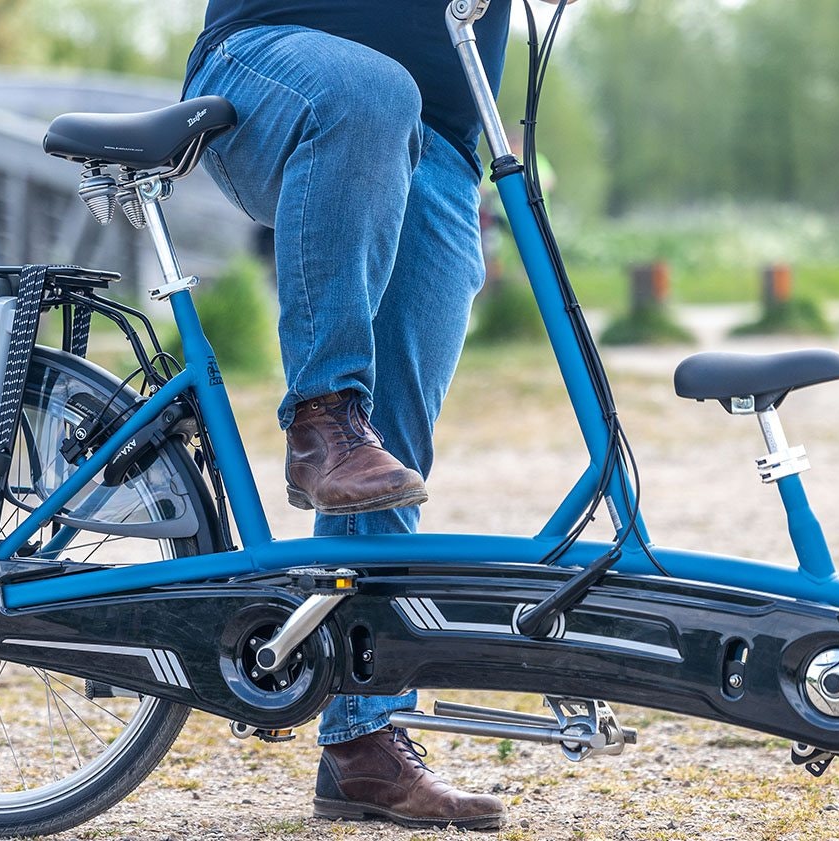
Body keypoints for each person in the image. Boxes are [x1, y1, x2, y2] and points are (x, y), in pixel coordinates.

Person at [183, 0, 511, 830]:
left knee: (387, 462)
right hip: (272, 70)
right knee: (367, 92)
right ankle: (321, 414)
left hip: (441, 140)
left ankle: (365, 742)